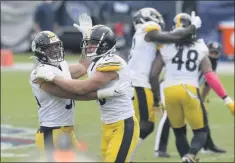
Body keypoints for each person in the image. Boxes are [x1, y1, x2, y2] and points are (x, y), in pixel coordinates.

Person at [34, 24, 140, 163]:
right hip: (55, 130)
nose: (89, 46)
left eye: (93, 43)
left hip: (121, 123)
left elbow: (81, 85)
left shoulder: (110, 61)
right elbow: (72, 90)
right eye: (88, 43)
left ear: (105, 45)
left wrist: (54, 77)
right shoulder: (41, 73)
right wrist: (103, 93)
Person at [150, 13, 234, 162]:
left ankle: (186, 158)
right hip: (189, 89)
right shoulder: (199, 46)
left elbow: (154, 74)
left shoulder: (166, 46)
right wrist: (226, 99)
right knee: (201, 131)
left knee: (179, 132)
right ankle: (190, 155)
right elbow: (210, 75)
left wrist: (157, 98)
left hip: (169, 90)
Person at [127, 8, 202, 161]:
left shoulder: (142, 34)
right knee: (146, 125)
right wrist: (192, 27)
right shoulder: (147, 30)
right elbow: (172, 36)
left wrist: (155, 98)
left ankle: (124, 156)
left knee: (137, 125)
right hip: (139, 82)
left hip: (134, 83)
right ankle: (125, 157)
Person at [154, 41, 227, 158]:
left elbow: (208, 84)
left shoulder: (212, 63)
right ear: (207, 51)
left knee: (202, 116)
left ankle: (208, 145)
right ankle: (160, 149)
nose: (213, 55)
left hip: (190, 90)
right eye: (211, 52)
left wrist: (202, 100)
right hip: (171, 87)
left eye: (215, 53)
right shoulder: (200, 58)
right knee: (168, 116)